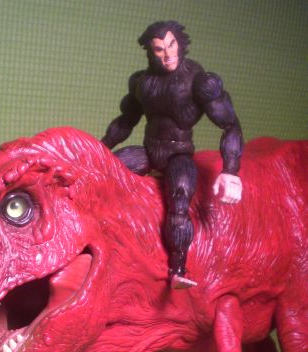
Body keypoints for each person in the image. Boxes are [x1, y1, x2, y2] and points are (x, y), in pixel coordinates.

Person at [102, 20, 243, 288]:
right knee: (106, 170)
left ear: (180, 44)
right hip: (148, 151)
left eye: (171, 45)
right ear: (151, 52)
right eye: (159, 49)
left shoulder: (200, 82)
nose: (167, 55)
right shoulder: (142, 82)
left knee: (179, 201)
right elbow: (126, 120)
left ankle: (178, 269)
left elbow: (230, 124)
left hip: (179, 155)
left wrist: (231, 171)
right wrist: (99, 148)